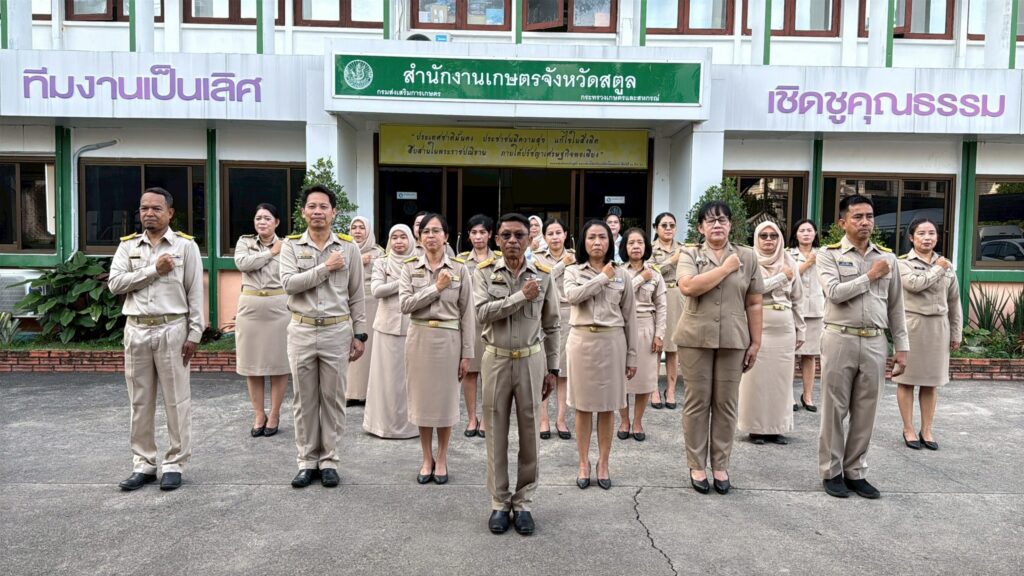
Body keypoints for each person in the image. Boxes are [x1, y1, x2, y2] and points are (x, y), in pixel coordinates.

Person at [109, 187, 204, 491]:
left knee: (177, 400)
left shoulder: (185, 246)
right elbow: (115, 284)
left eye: (156, 208)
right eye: (144, 208)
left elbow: (195, 292)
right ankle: (144, 464)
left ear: (170, 213)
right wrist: (153, 270)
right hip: (136, 329)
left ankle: (175, 463)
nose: (149, 213)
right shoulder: (128, 246)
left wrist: (195, 333)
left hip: (171, 328)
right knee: (140, 401)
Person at [817, 194, 908, 499]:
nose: (865, 222)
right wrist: (870, 276)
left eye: (869, 216)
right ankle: (832, 471)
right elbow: (834, 292)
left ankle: (855, 471)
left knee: (866, 410)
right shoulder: (828, 255)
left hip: (875, 341)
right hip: (839, 337)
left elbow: (896, 306)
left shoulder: (888, 259)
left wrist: (902, 347)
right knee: (834, 409)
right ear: (842, 222)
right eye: (857, 217)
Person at [474, 213, 560, 536]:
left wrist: (553, 368)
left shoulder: (544, 275)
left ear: (530, 240)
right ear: (497, 240)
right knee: (495, 432)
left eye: (519, 235)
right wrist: (521, 296)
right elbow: (482, 313)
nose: (512, 241)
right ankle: (499, 502)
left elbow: (552, 325)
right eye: (506, 235)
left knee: (530, 434)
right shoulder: (484, 273)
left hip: (530, 361)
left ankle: (523, 503)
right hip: (496, 359)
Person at [279, 184, 367, 489]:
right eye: (312, 206)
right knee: (304, 400)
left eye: (323, 206)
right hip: (302, 329)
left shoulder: (349, 248)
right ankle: (306, 461)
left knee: (333, 399)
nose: (318, 212)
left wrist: (360, 334)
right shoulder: (291, 246)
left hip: (336, 330)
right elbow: (289, 284)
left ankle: (329, 460)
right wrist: (325, 268)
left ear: (334, 212)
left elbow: (357, 294)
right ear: (303, 212)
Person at [674, 200, 763, 495]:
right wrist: (725, 269)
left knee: (726, 404)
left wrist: (756, 341)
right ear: (701, 228)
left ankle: (721, 465)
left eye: (722, 220)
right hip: (695, 338)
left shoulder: (747, 256)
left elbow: (754, 301)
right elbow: (689, 287)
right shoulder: (690, 253)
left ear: (730, 225)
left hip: (733, 339)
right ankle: (696, 465)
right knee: (697, 402)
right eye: (710, 221)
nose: (717, 225)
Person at [399, 213, 475, 485]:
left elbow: (467, 313)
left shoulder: (460, 269)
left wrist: (467, 353)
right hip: (419, 338)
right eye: (426, 232)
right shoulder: (409, 267)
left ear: (446, 236)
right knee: (422, 402)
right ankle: (426, 457)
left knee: (444, 403)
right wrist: (436, 288)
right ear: (419, 238)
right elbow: (405, 305)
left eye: (436, 231)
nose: (430, 236)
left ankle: (442, 457)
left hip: (448, 341)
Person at [565, 219, 638, 490]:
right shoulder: (573, 271)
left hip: (612, 343)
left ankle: (604, 463)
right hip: (582, 342)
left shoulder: (623, 274)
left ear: (611, 242)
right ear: (583, 242)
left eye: (603, 237)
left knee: (608, 407)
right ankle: (583, 462)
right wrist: (602, 278)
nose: (597, 242)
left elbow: (630, 317)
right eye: (592, 237)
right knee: (583, 407)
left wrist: (632, 356)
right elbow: (573, 296)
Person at [894, 218, 961, 451]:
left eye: (931, 233)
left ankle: (927, 429)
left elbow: (954, 301)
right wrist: (938, 269)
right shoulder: (902, 263)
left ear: (937, 237)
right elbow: (914, 284)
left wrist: (956, 332)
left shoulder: (946, 265)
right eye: (921, 233)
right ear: (911, 238)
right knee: (907, 380)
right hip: (912, 326)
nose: (927, 238)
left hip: (938, 328)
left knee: (932, 382)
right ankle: (908, 428)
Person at [738, 221, 805, 446]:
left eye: (773, 236)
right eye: (763, 236)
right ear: (756, 239)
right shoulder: (749, 261)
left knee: (780, 380)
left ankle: (776, 428)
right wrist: (780, 277)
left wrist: (801, 329)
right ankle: (756, 429)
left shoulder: (789, 262)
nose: (768, 240)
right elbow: (751, 290)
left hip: (784, 327)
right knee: (755, 379)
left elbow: (798, 298)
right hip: (758, 326)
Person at [233, 203, 290, 438]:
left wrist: (277, 250)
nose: (262, 222)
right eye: (258, 218)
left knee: (279, 365)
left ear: (277, 222)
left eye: (267, 218)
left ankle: (274, 414)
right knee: (252, 365)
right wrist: (270, 253)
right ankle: (259, 414)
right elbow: (242, 263)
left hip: (279, 308)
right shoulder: (244, 242)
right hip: (250, 308)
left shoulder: (288, 245)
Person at [363, 224, 419, 439]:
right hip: (386, 327)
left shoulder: (420, 263)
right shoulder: (382, 262)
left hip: (414, 325)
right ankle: (381, 425)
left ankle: (411, 425)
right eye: (394, 237)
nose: (398, 241)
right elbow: (377, 290)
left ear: (410, 240)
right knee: (385, 378)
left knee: (410, 378)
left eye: (403, 237)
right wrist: (403, 281)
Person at [617, 228, 666, 443]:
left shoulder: (655, 273)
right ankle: (624, 421)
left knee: (644, 380)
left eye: (640, 242)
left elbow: (662, 306)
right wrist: (639, 279)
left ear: (646, 246)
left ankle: (637, 421)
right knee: (621, 379)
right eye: (631, 243)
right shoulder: (617, 271)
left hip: (647, 326)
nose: (636, 246)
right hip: (621, 327)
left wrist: (659, 335)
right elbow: (618, 296)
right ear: (624, 247)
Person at [533, 218, 575, 440]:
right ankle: (543, 419)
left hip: (568, 315)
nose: (555, 237)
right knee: (543, 370)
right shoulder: (536, 257)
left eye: (559, 232)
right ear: (544, 237)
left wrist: (568, 262)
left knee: (563, 372)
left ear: (565, 234)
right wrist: (562, 264)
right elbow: (540, 282)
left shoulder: (576, 258)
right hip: (543, 315)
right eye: (550, 233)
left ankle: (561, 418)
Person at [459, 214, 497, 439]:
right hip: (469, 322)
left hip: (493, 322)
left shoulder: (500, 259)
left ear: (490, 234)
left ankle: (486, 417)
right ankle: (472, 417)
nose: (478, 236)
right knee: (470, 372)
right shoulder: (461, 261)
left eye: (482, 232)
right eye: (474, 232)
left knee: (490, 374)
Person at [345, 216, 385, 407]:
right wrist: (358, 261)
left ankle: (368, 393)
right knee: (348, 345)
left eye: (362, 228)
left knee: (368, 349)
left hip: (372, 304)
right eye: (354, 227)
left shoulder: (379, 253)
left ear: (368, 231)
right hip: (347, 302)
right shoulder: (343, 249)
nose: (358, 231)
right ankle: (349, 392)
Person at [789, 219, 824, 412]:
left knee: (810, 355)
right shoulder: (787, 254)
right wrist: (809, 262)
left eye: (809, 230)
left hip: (815, 310)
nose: (806, 234)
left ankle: (808, 395)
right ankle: (789, 396)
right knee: (791, 355)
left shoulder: (824, 254)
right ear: (796, 234)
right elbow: (789, 277)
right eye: (802, 230)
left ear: (815, 233)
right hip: (794, 309)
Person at [650, 212, 684, 409]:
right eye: (664, 225)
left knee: (674, 347)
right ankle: (653, 389)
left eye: (672, 225)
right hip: (657, 296)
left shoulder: (683, 248)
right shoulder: (650, 248)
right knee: (657, 346)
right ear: (656, 228)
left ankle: (670, 389)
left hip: (678, 296)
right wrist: (672, 260)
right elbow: (650, 272)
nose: (669, 228)